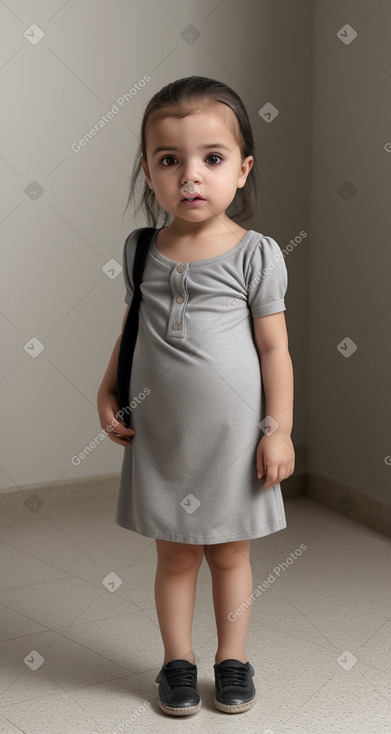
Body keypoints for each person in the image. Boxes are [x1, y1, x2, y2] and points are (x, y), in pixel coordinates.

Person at [97, 75, 295, 717]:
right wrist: (108, 391)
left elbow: (274, 352)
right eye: (169, 160)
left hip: (233, 441)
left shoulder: (255, 255)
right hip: (166, 437)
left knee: (230, 553)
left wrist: (279, 428)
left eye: (212, 158)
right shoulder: (142, 252)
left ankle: (231, 661)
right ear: (149, 173)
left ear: (242, 169)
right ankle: (176, 664)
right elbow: (130, 335)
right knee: (177, 555)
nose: (191, 176)